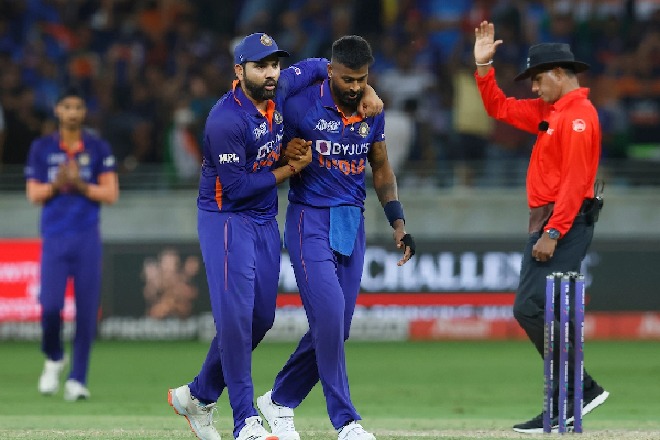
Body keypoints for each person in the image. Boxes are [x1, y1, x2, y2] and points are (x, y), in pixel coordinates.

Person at [167, 33, 383, 440]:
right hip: (226, 218)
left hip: (265, 218)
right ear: (239, 71)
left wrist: (367, 89)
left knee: (260, 319)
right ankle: (245, 421)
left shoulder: (279, 90)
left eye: (274, 65)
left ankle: (197, 395)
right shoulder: (225, 120)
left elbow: (322, 65)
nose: (270, 74)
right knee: (235, 319)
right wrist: (291, 168)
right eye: (260, 66)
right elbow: (237, 189)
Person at [255, 35, 416, 440]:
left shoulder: (371, 111)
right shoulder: (300, 105)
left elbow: (381, 166)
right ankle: (346, 422)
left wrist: (397, 220)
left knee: (336, 328)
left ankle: (279, 399)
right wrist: (284, 152)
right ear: (331, 72)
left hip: (352, 222)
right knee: (328, 317)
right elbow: (267, 144)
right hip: (309, 219)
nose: (355, 87)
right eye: (347, 79)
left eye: (362, 79)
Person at [472, 21, 609, 433]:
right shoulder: (552, 112)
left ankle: (580, 390)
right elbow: (498, 108)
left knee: (529, 307)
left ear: (559, 73)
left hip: (562, 224)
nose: (533, 88)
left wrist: (553, 232)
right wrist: (484, 68)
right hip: (551, 222)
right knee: (541, 308)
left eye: (537, 79)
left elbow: (575, 182)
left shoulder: (578, 116)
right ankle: (570, 396)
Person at [25, 86, 119, 401]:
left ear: (84, 112)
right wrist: (56, 184)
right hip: (54, 238)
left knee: (86, 313)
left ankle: (77, 379)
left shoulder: (97, 147)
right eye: (67, 107)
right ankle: (54, 356)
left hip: (87, 238)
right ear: (58, 111)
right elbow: (33, 194)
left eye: (78, 107)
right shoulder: (41, 148)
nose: (73, 113)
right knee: (50, 307)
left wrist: (81, 184)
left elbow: (111, 194)